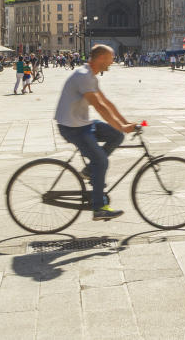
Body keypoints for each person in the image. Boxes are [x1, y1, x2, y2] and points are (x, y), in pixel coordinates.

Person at [55, 44, 136, 220]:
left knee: (116, 135)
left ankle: (89, 171)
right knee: (101, 161)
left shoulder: (91, 76)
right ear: (100, 58)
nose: (112, 62)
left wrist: (124, 123)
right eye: (110, 58)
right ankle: (99, 207)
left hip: (82, 123)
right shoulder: (84, 76)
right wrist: (121, 125)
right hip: (72, 127)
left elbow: (106, 102)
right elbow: (99, 107)